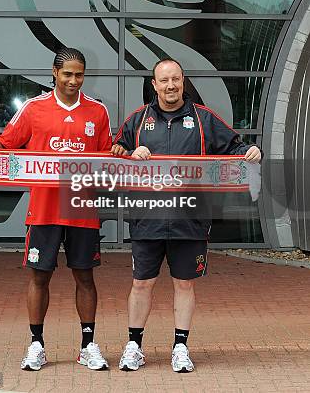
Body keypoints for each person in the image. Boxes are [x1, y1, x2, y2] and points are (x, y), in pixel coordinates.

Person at [111, 58, 261, 373]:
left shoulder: (204, 119)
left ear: (183, 81)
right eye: (163, 80)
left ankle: (180, 347)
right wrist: (128, 152)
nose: (170, 86)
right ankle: (134, 346)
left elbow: (234, 148)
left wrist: (250, 152)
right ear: (154, 84)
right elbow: (115, 153)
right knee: (141, 283)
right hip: (147, 218)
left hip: (190, 219)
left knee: (184, 285)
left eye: (175, 79)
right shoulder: (137, 121)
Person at [0, 48, 112, 371]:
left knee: (85, 276)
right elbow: (7, 141)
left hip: (81, 206)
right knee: (40, 276)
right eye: (67, 74)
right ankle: (36, 344)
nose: (73, 80)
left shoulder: (97, 112)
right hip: (44, 209)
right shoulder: (34, 108)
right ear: (54, 73)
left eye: (79, 74)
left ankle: (88, 345)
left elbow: (108, 155)